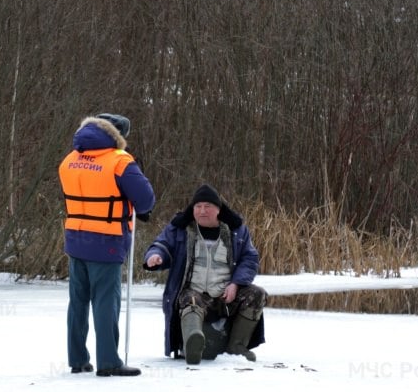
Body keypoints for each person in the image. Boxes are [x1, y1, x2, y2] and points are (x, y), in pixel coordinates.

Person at [58, 113, 155, 377]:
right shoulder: (119, 161)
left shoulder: (69, 160)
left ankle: (77, 359)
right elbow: (146, 200)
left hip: (76, 239)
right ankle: (109, 361)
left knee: (78, 301)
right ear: (118, 135)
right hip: (107, 240)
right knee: (105, 302)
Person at [143, 184, 266, 364]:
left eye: (207, 207)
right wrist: (154, 256)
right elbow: (161, 245)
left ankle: (237, 346)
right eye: (198, 207)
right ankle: (192, 342)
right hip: (195, 292)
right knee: (189, 299)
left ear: (218, 210)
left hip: (225, 294)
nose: (202, 211)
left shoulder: (236, 230)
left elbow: (250, 258)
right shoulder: (179, 229)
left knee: (257, 294)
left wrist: (236, 284)